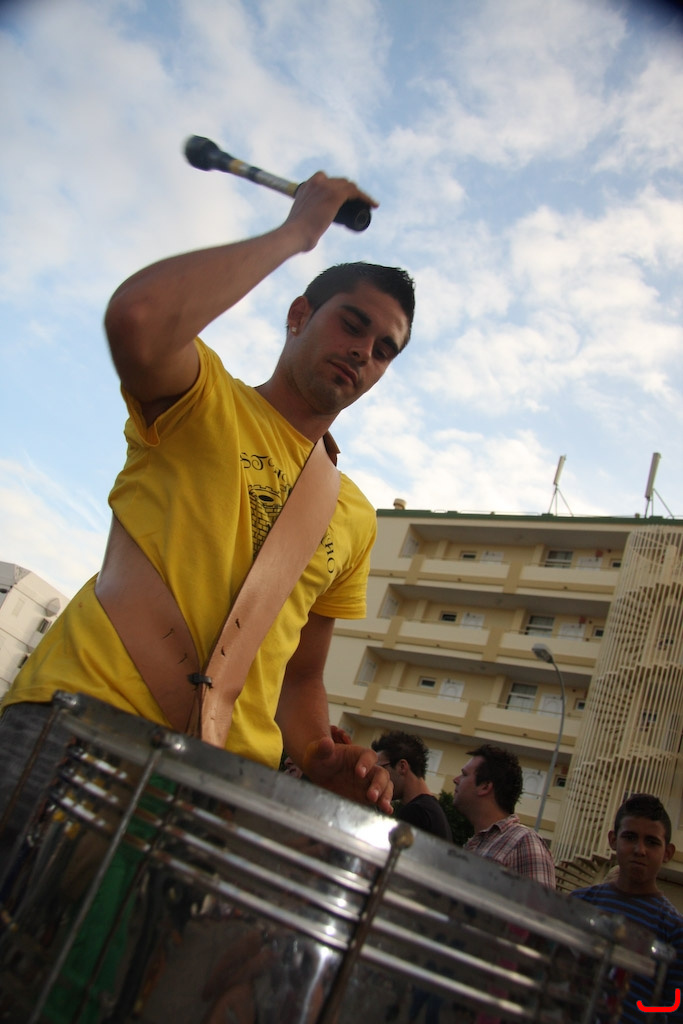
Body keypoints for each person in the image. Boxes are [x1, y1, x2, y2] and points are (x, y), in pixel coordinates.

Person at [0, 170, 415, 853]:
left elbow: (300, 675)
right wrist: (296, 232)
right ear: (299, 316)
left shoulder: (354, 515)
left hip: (213, 798)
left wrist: (318, 754)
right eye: (352, 323)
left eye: (384, 350)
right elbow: (139, 316)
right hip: (76, 725)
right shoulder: (202, 397)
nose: (363, 353)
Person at [570, 794, 683, 1023]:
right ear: (613, 840)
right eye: (630, 837)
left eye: (652, 842)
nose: (640, 850)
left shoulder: (674, 930)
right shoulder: (580, 903)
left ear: (668, 853)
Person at [452, 744, 556, 887]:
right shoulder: (476, 843)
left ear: (485, 786)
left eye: (464, 774)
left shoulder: (524, 842)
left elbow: (539, 901)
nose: (456, 779)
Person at [371, 730, 452, 840]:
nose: (376, 776)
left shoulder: (415, 812)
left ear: (402, 767)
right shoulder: (430, 810)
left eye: (380, 769)